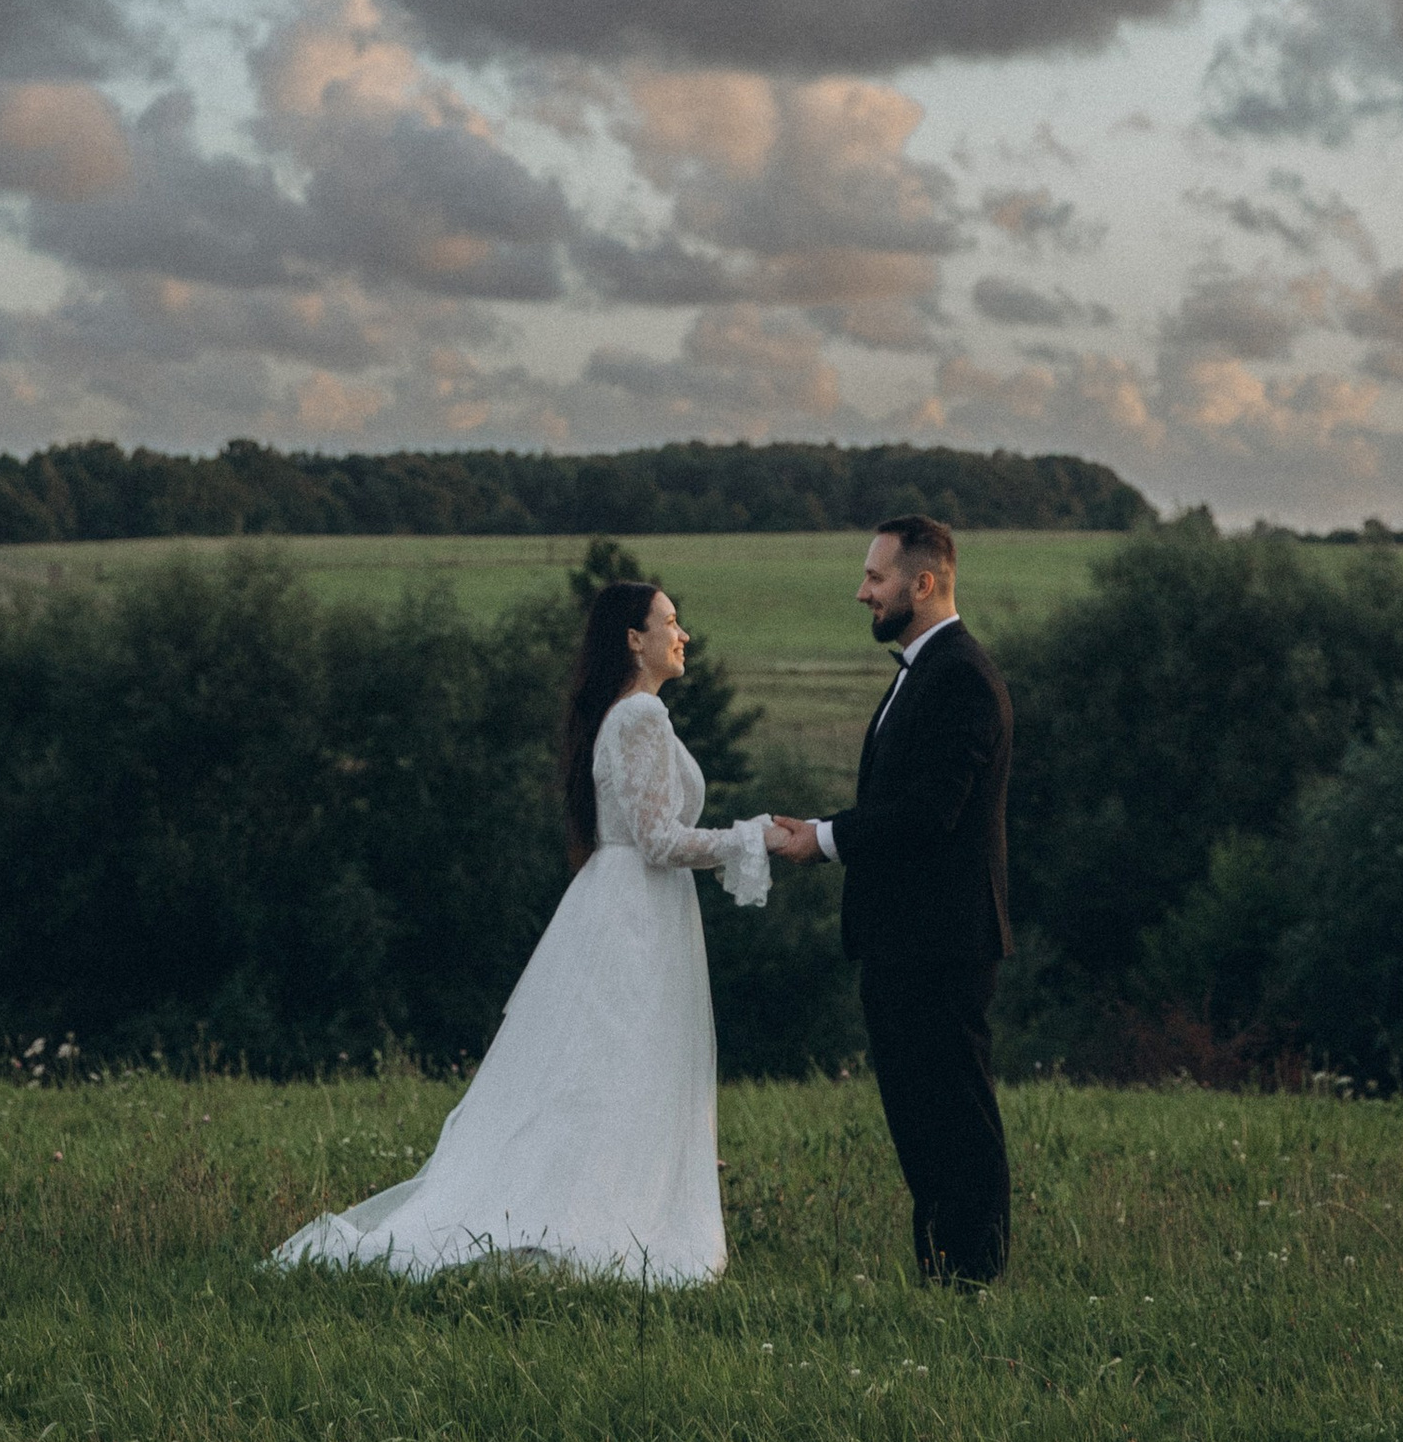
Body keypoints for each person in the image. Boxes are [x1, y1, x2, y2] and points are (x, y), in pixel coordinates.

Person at [271, 578, 773, 1284]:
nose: (681, 633)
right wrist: (750, 839)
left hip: (629, 905)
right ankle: (602, 1220)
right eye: (670, 620)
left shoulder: (628, 715)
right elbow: (658, 840)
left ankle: (606, 1208)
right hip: (635, 912)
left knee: (613, 1067)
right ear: (634, 638)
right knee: (620, 1063)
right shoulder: (640, 719)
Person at [769, 515, 1012, 1285]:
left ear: (923, 582)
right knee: (920, 1120)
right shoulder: (921, 671)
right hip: (904, 940)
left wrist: (824, 838)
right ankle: (942, 1277)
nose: (862, 590)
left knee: (954, 1119)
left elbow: (932, 810)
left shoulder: (961, 675)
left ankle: (972, 1282)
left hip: (942, 942)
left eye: (876, 578)